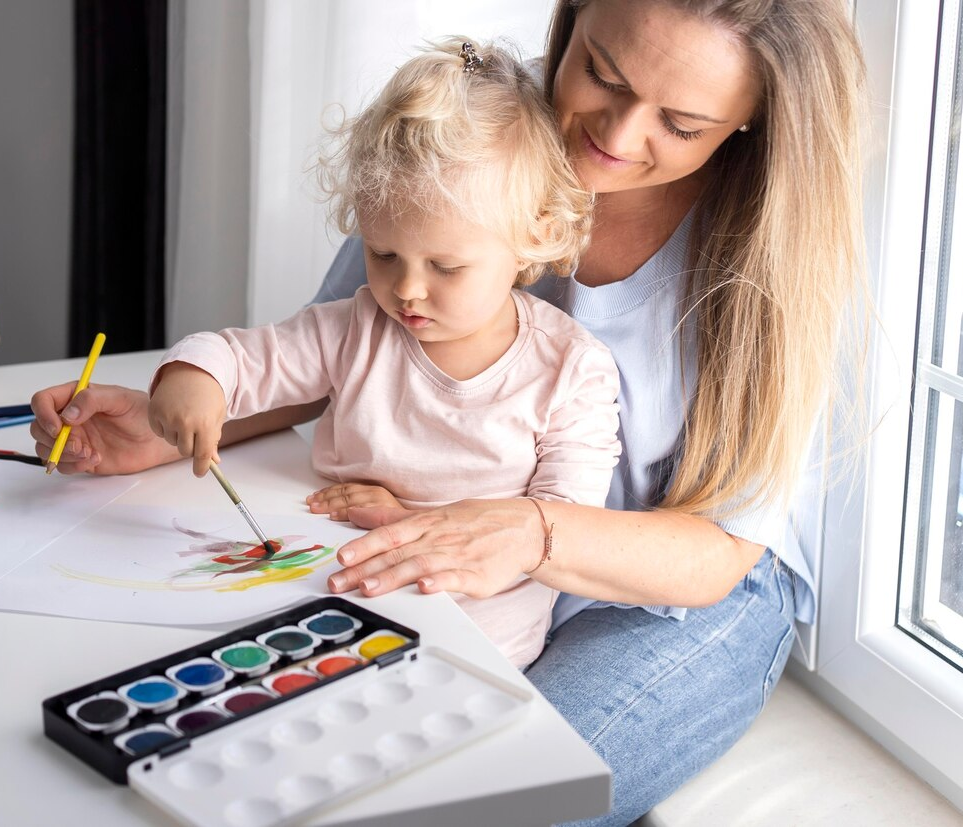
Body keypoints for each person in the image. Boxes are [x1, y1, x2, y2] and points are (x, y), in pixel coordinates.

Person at [30, 0, 867, 823]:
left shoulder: (770, 246)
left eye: (680, 124)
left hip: (681, 577)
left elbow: (717, 552)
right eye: (601, 73)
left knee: (501, 799)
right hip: (488, 536)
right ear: (572, 21)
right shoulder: (477, 128)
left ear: (752, 120)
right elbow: (343, 356)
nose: (614, 134)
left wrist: (530, 531)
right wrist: (167, 426)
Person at [148, 38, 621, 668]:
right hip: (331, 603)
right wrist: (194, 375)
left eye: (446, 266)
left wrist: (401, 519)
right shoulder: (358, 328)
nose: (407, 290)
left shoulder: (571, 371)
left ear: (536, 235)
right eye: (383, 254)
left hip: (475, 642)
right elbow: (245, 357)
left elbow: (562, 526)